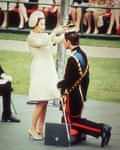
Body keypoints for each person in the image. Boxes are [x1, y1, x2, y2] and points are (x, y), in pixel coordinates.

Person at [57, 31, 112, 147]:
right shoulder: (83, 55)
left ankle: (101, 129)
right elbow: (86, 79)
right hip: (80, 94)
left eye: (64, 41)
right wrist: (84, 96)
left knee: (73, 122)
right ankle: (102, 129)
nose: (63, 43)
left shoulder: (72, 59)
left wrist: (60, 84)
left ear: (68, 42)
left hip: (73, 96)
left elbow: (68, 81)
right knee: (70, 120)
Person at [27, 10, 65, 140]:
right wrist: (55, 31)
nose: (43, 27)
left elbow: (56, 39)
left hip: (47, 70)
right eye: (41, 24)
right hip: (39, 71)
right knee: (41, 100)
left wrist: (67, 32)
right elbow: (45, 41)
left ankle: (41, 128)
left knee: (45, 100)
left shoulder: (44, 35)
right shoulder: (31, 37)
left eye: (44, 24)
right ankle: (32, 128)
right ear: (34, 24)